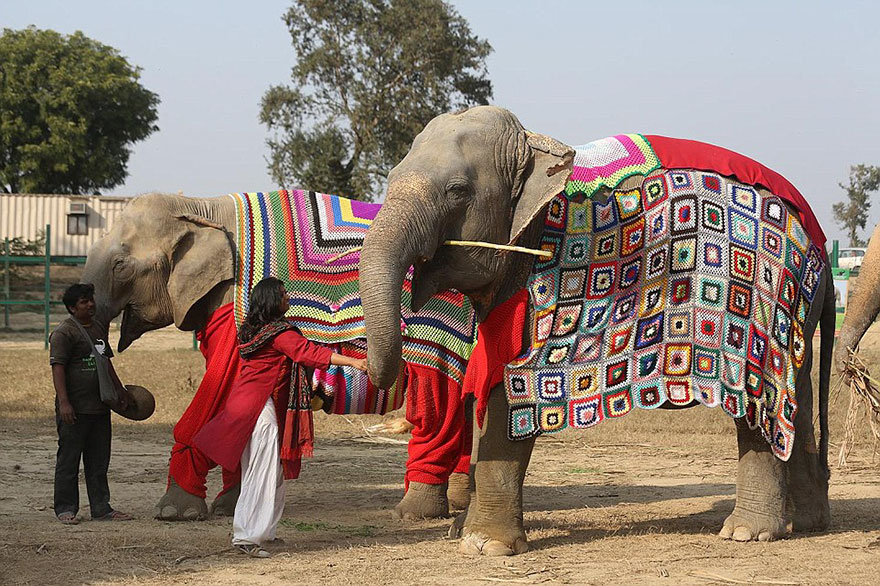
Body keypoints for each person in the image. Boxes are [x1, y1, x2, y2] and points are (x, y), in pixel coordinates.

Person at [193, 277, 367, 558]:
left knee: (270, 470)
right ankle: (247, 536)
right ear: (272, 299)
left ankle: (266, 532)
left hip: (246, 403)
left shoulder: (253, 330)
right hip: (258, 407)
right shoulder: (278, 333)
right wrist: (356, 362)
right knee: (261, 471)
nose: (288, 298)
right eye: (283, 294)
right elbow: (309, 353)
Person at [49, 283, 133, 524]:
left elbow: (106, 361)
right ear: (72, 308)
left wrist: (120, 390)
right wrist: (64, 403)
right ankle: (65, 508)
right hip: (75, 409)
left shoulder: (97, 328)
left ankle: (101, 508)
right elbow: (58, 369)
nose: (90, 304)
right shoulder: (63, 333)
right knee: (69, 460)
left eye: (91, 299)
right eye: (84, 301)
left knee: (98, 461)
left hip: (100, 406)